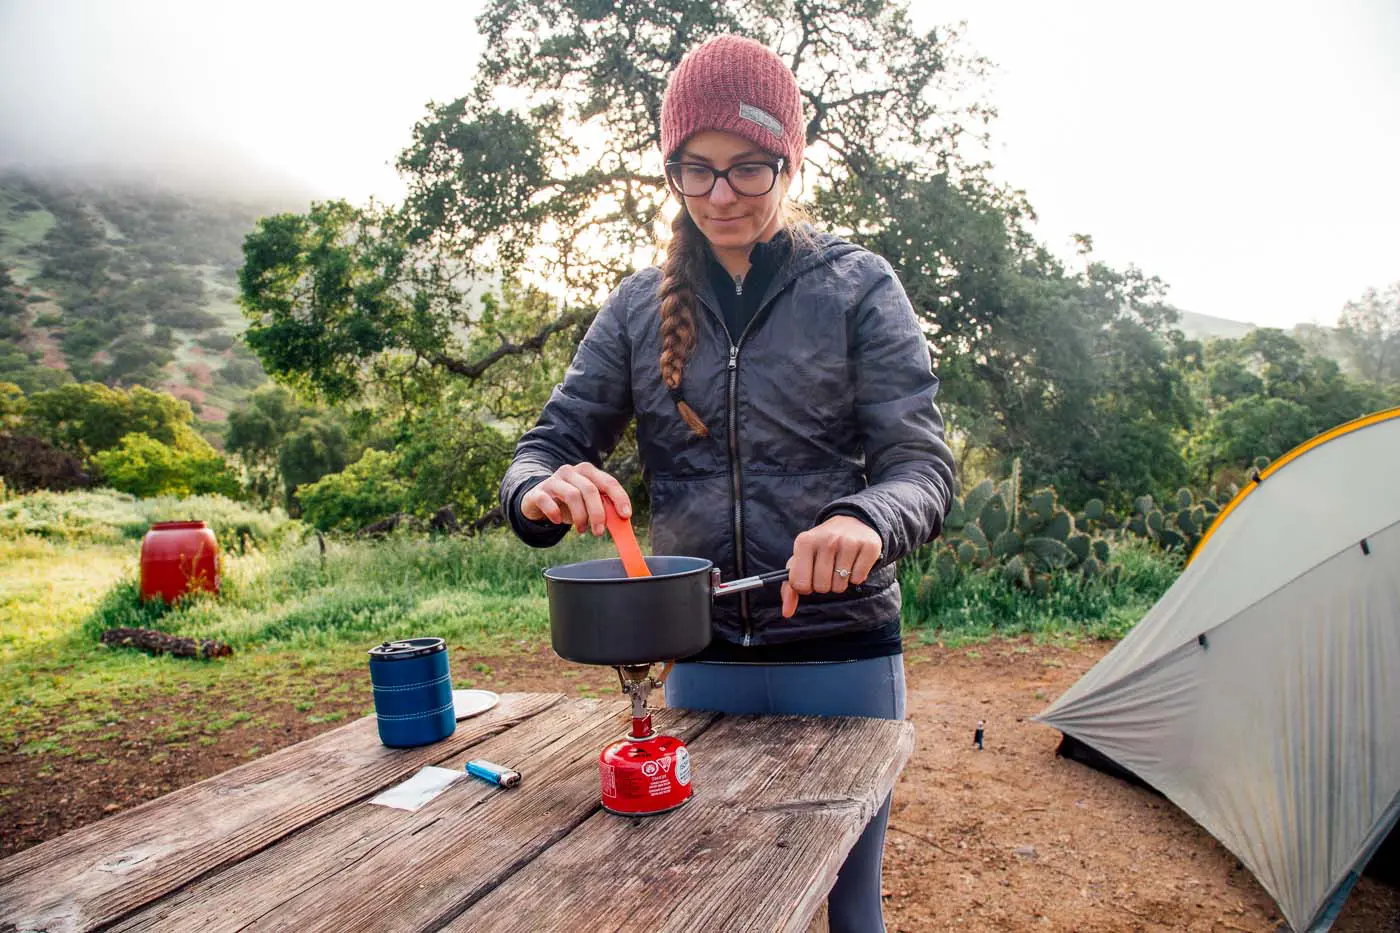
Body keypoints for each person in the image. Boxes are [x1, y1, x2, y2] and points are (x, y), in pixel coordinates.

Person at [499, 34, 954, 933]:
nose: (720, 196)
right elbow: (544, 444)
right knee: (703, 902)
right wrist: (539, 493)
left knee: (851, 912)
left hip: (844, 654)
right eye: (694, 171)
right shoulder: (637, 308)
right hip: (699, 660)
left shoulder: (859, 288)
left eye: (748, 169)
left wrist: (867, 518)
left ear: (792, 158)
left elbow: (922, 466)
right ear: (671, 169)